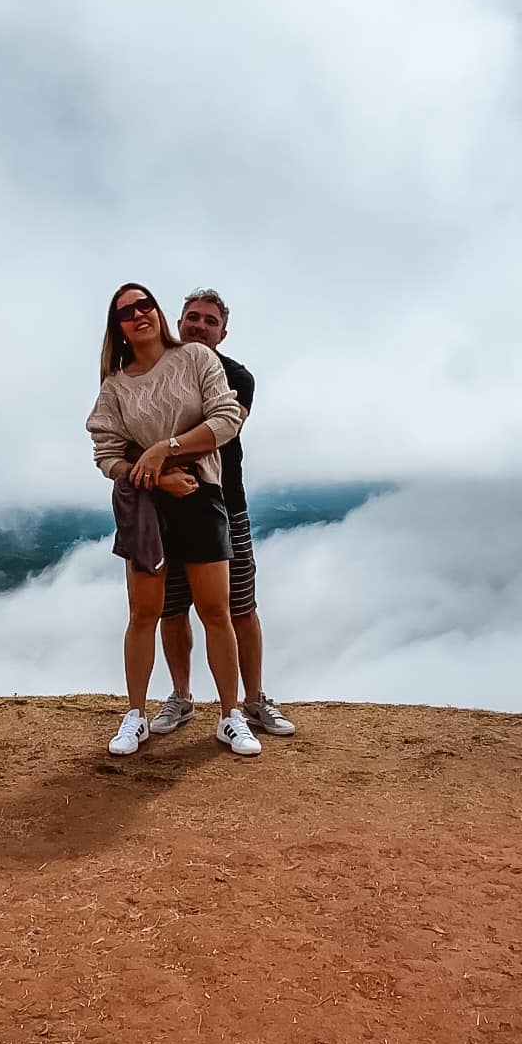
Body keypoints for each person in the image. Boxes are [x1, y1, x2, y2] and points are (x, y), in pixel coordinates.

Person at [86, 282, 264, 759]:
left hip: (204, 498)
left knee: (216, 612)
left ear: (159, 312)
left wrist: (167, 448)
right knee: (147, 613)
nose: (139, 314)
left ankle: (231, 716)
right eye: (126, 311)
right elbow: (106, 452)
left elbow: (227, 418)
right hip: (148, 507)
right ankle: (136, 715)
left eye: (145, 304)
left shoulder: (196, 361)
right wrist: (156, 475)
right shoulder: (116, 386)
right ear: (117, 327)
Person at [151, 288, 295, 739]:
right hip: (162, 507)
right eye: (192, 317)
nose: (198, 325)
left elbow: (219, 430)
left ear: (223, 332)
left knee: (240, 607)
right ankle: (181, 696)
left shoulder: (236, 376)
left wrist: (164, 449)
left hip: (224, 505)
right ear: (178, 322)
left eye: (209, 320)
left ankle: (252, 701)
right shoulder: (151, 370)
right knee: (171, 608)